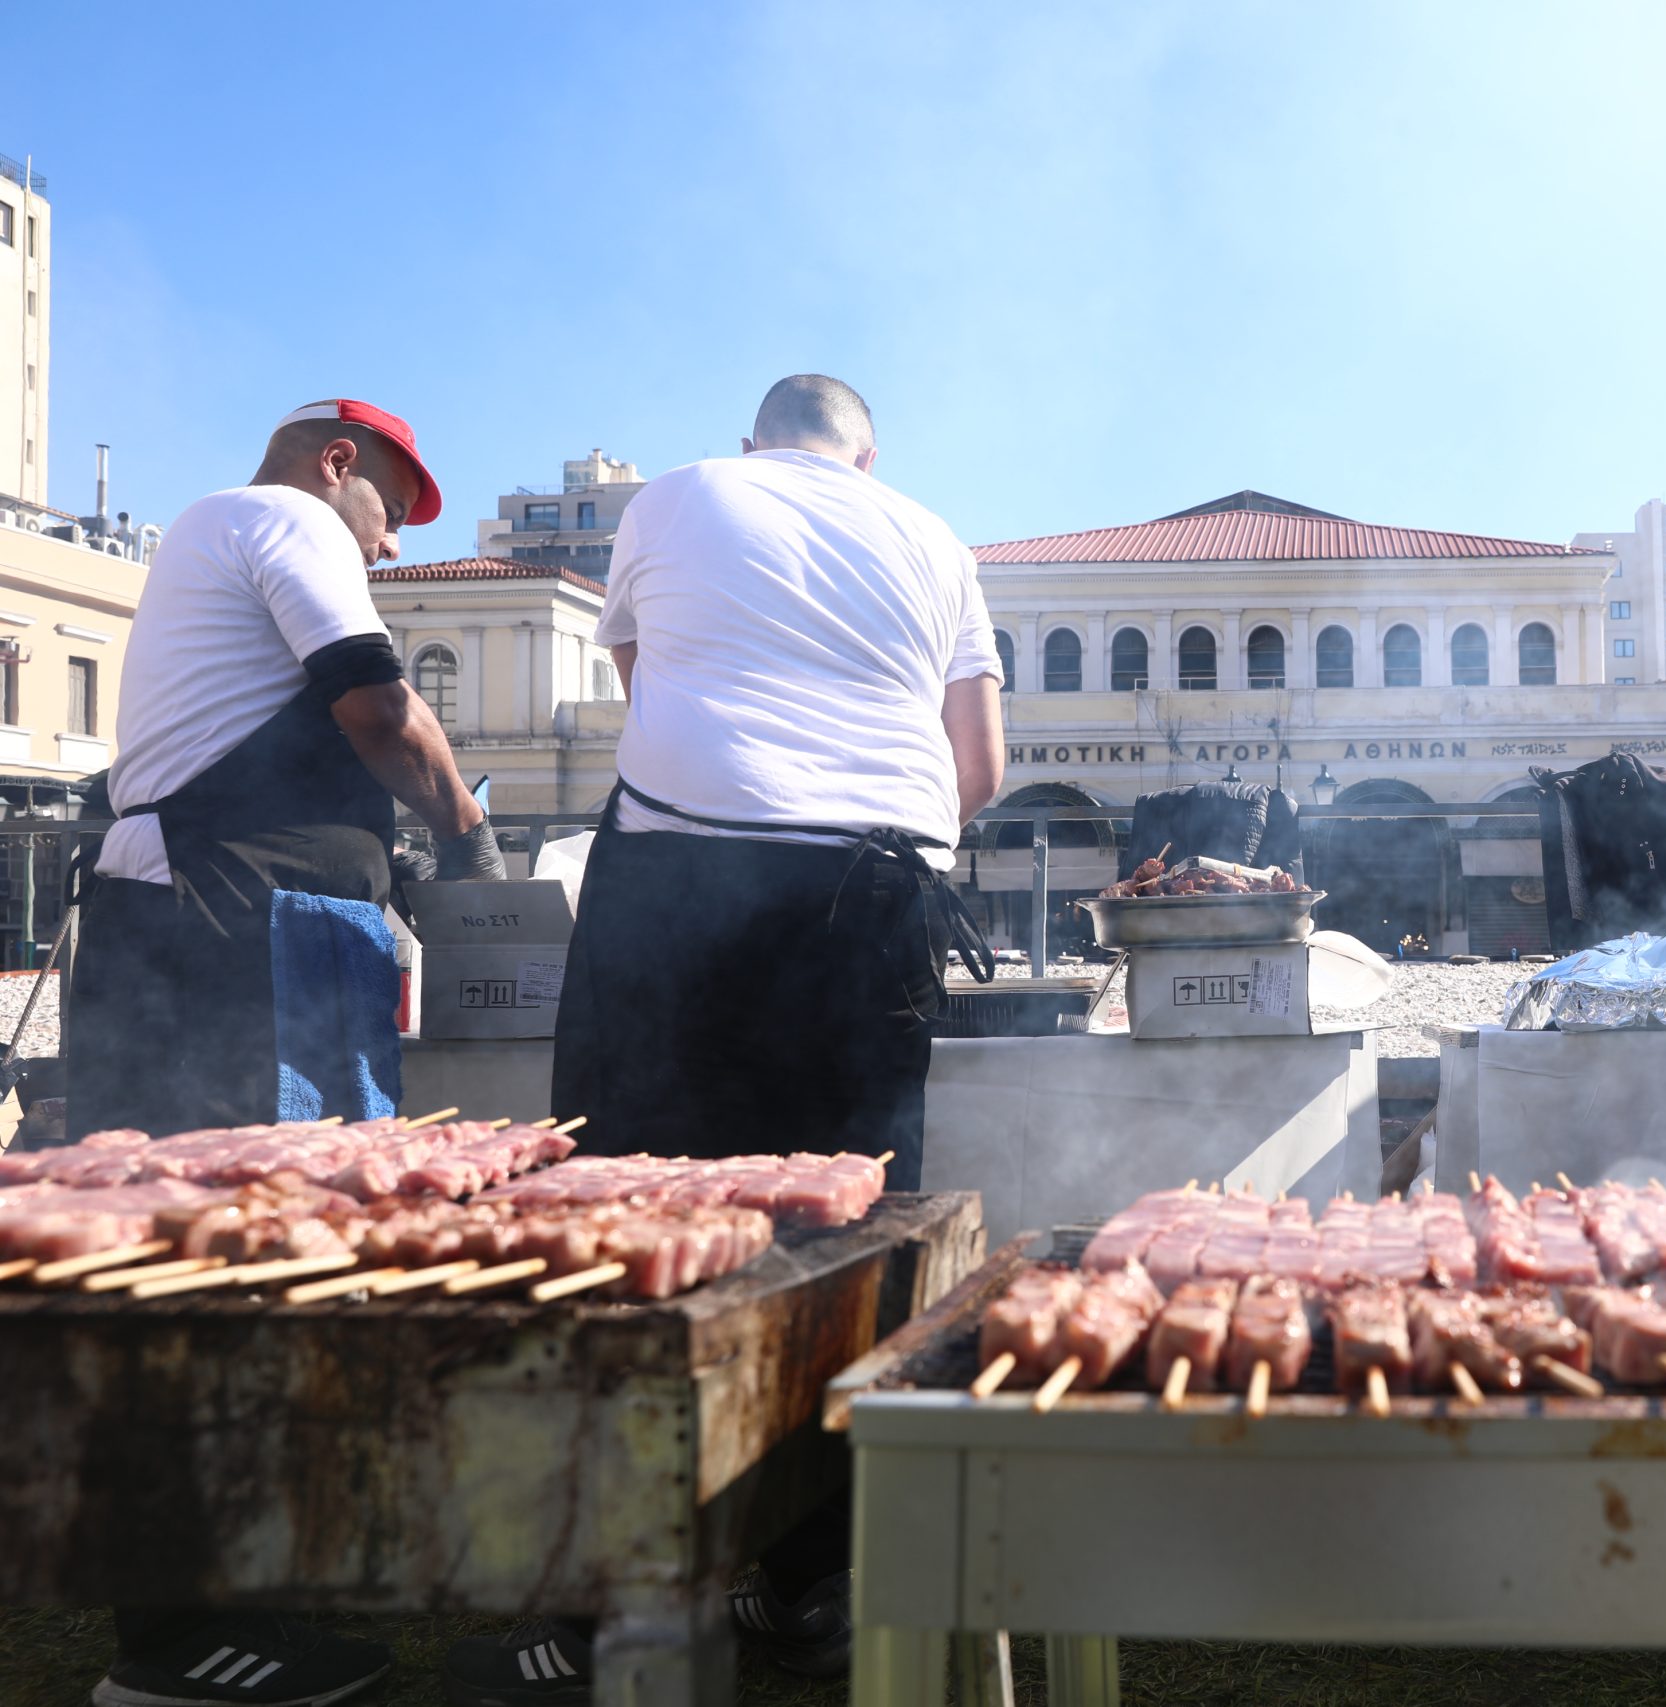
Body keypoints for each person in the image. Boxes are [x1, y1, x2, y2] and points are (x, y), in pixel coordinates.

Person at [441, 375, 1002, 1700]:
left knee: (628, 1200)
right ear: (868, 454)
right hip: (874, 888)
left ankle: (600, 1583)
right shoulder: (936, 537)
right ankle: (807, 1572)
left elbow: (649, 688)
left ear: (762, 442)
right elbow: (974, 767)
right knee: (847, 1220)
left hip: (684, 872)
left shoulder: (679, 494)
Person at [74, 400, 505, 1707]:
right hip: (214, 931)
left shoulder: (221, 537)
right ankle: (179, 1635)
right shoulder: (282, 518)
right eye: (386, 512)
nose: (378, 546)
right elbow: (381, 712)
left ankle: (252, 1585)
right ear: (338, 463)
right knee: (208, 1264)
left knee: (274, 1252)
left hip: (238, 922)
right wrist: (474, 841)